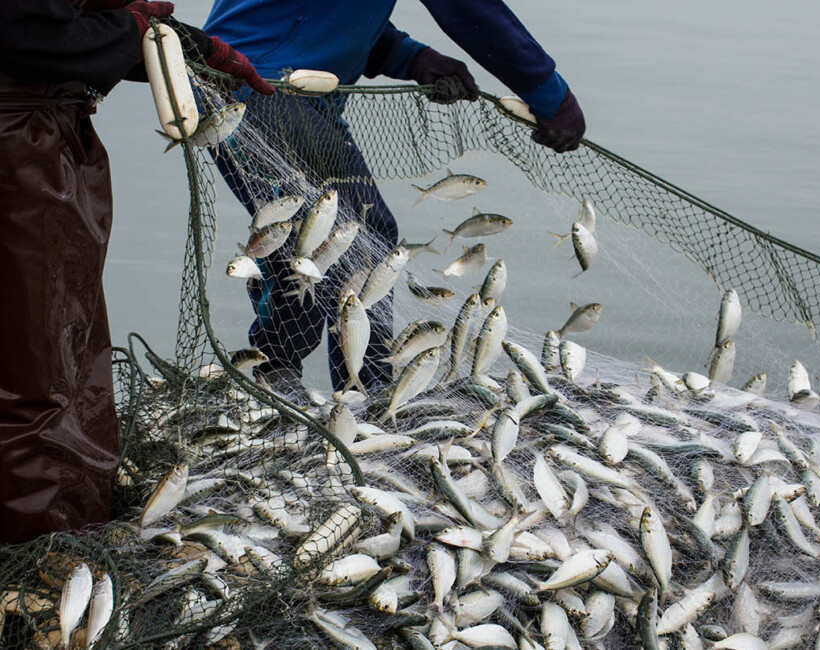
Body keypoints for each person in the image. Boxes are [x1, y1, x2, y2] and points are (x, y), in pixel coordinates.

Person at [203, 0, 587, 395]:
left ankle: (330, 383)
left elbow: (325, 13)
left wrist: (411, 57)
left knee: (345, 233)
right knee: (338, 236)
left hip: (263, 84)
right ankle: (327, 387)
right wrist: (549, 93)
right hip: (262, 88)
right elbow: (471, 10)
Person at [0, 0, 272, 544]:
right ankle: (42, 548)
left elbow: (60, 27)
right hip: (17, 147)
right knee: (37, 366)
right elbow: (21, 34)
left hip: (43, 131)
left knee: (63, 347)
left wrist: (183, 43)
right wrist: (130, 31)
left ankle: (68, 522)